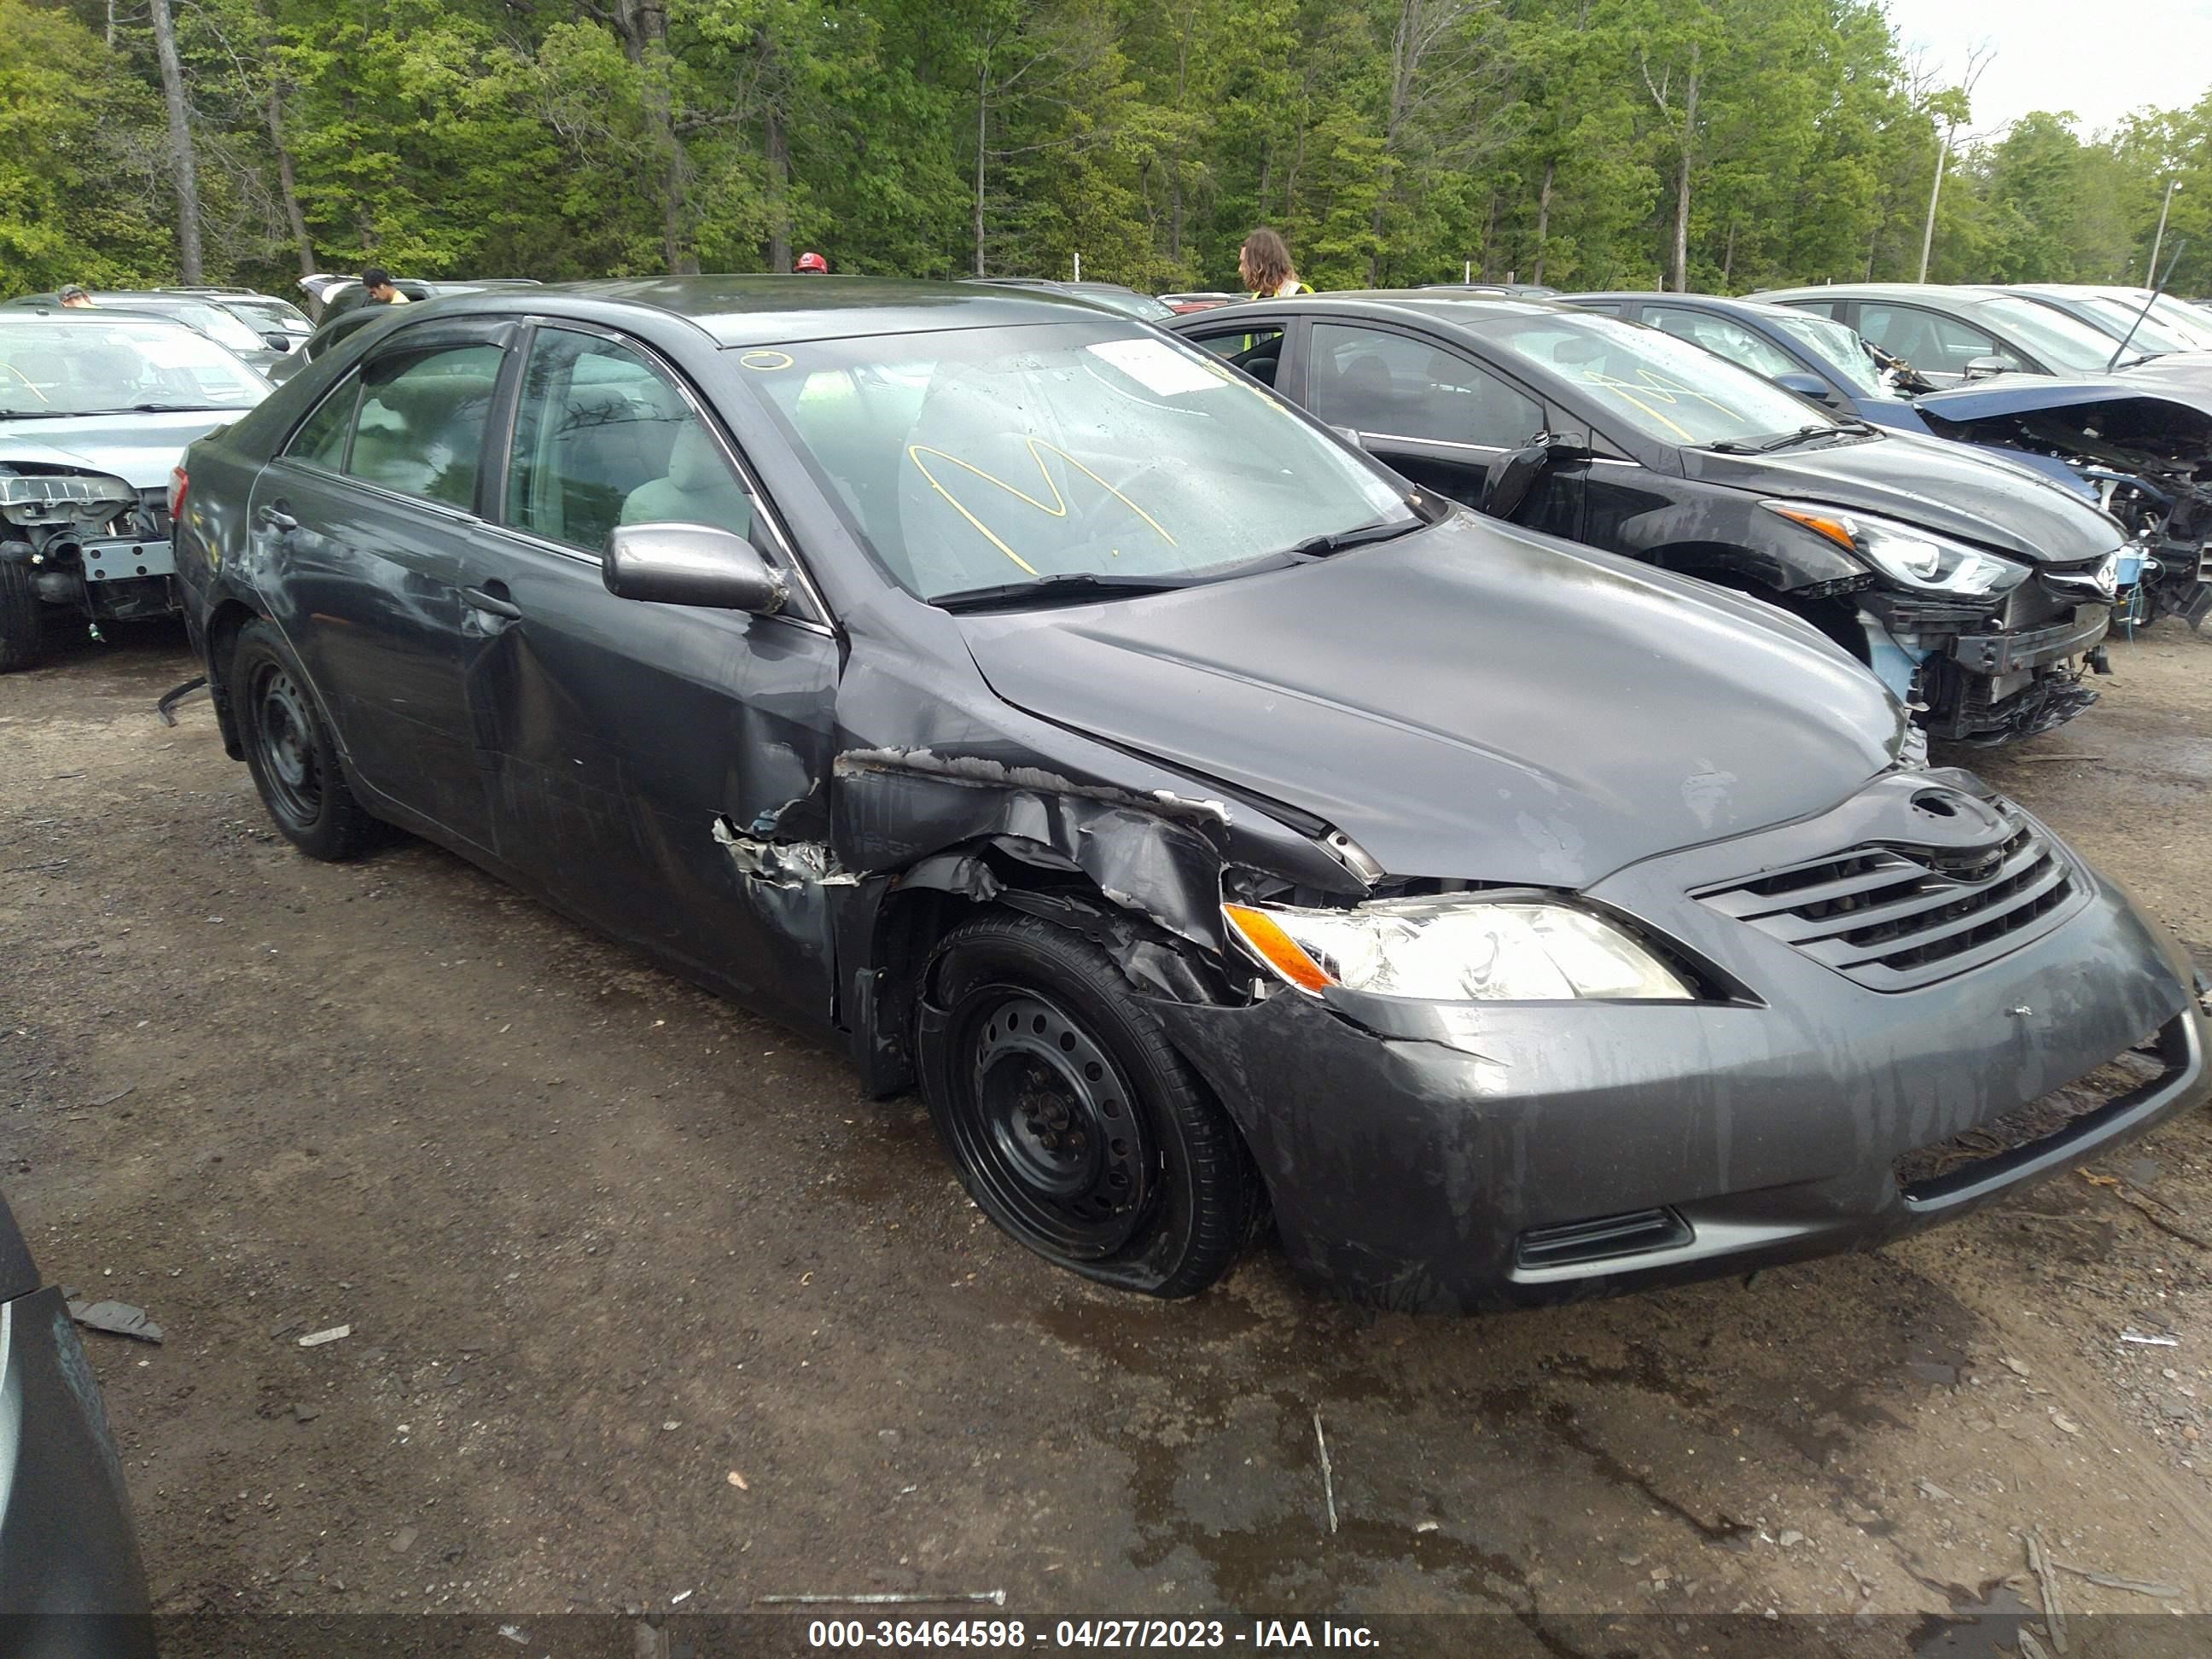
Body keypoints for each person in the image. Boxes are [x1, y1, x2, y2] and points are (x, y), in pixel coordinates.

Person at [1238, 229, 1307, 298]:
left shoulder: (1298, 294)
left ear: (1260, 264)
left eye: (1245, 263)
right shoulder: (1256, 298)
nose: (1240, 269)